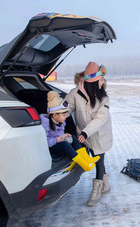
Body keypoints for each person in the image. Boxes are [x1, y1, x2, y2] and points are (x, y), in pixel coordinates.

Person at [66, 61, 113, 206]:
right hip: (84, 136)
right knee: (98, 160)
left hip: (99, 136)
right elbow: (67, 108)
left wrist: (86, 133)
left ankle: (97, 190)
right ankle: (105, 186)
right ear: (93, 82)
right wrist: (57, 117)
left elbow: (101, 118)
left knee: (99, 160)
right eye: (101, 79)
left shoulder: (103, 97)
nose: (103, 82)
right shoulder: (75, 93)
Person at [40, 91, 100, 172]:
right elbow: (44, 142)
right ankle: (83, 165)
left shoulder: (60, 122)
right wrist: (58, 139)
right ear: (54, 115)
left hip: (57, 143)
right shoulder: (45, 123)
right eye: (63, 115)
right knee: (65, 144)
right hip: (50, 147)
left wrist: (64, 136)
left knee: (74, 138)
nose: (65, 117)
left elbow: (59, 134)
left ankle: (87, 158)